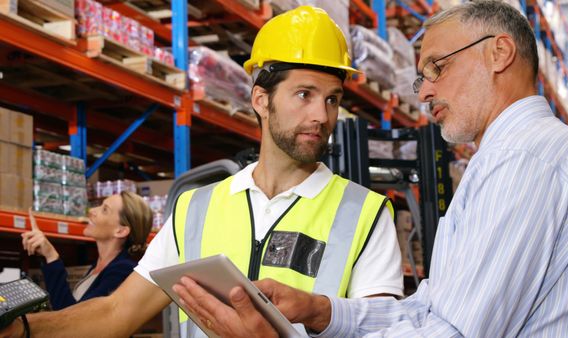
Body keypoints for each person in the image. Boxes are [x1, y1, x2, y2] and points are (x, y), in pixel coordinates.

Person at [172, 1, 568, 337]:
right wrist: (321, 312)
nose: (424, 91)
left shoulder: (528, 161)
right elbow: (434, 308)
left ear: (499, 53)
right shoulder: (507, 161)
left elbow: (453, 332)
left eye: (436, 67)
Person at [0, 6, 403, 338]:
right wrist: (22, 330)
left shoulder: (365, 215)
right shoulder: (196, 209)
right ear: (261, 99)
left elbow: (382, 331)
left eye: (332, 99)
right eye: (304, 94)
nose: (322, 115)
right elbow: (115, 313)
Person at [21, 191, 153, 310]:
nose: (91, 210)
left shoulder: (122, 272)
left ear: (121, 231)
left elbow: (73, 320)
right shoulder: (100, 267)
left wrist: (52, 257)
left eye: (104, 210)